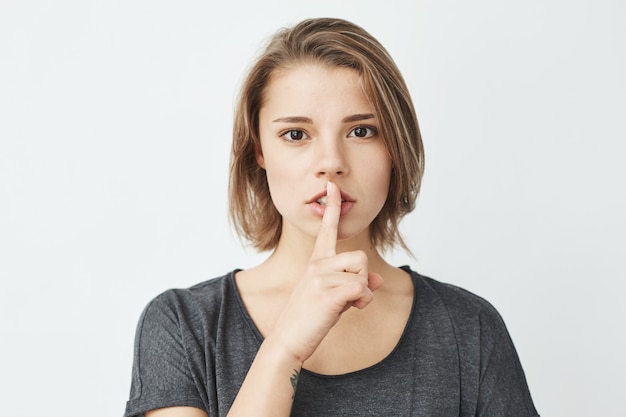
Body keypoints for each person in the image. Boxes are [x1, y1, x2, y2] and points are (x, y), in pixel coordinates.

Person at [124, 17, 539, 417]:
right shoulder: (183, 325)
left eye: (361, 131)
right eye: (296, 134)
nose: (331, 163)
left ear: (395, 146)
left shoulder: (470, 328)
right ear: (260, 150)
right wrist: (285, 345)